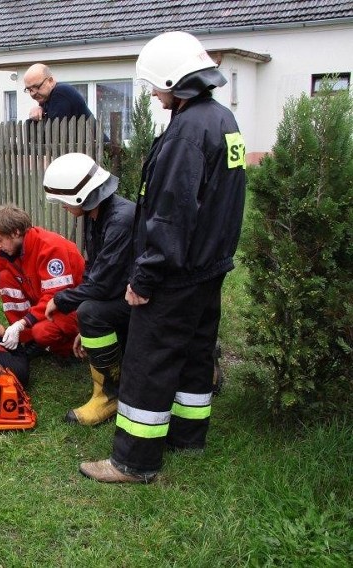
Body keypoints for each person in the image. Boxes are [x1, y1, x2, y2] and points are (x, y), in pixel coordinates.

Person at [79, 31, 247, 483]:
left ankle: (132, 461)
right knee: (194, 352)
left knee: (148, 361)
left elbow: (170, 215)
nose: (153, 93)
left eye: (156, 85)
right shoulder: (222, 119)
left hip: (174, 272)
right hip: (209, 268)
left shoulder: (186, 133)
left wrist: (144, 277)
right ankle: (188, 437)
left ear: (176, 80)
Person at [42, 153, 135, 426]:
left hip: (149, 302)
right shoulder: (99, 216)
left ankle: (110, 394)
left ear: (82, 197)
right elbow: (94, 270)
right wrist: (85, 330)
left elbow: (104, 284)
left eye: (64, 200)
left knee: (91, 312)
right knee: (89, 314)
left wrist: (62, 300)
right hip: (127, 295)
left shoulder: (120, 221)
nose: (62, 206)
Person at [0, 204, 85, 357]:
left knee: (42, 332)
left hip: (73, 307)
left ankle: (66, 347)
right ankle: (27, 339)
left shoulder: (50, 248)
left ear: (15, 233)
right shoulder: (7, 251)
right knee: (4, 277)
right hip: (46, 303)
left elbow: (56, 297)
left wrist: (23, 323)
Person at [24, 63, 93, 123]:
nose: (33, 94)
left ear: (50, 81)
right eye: (29, 90)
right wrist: (38, 109)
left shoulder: (60, 93)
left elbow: (53, 132)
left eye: (37, 87)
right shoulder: (46, 99)